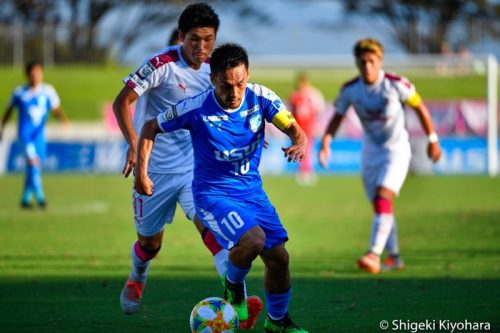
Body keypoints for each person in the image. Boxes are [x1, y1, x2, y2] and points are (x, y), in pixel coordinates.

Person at [135, 43, 309, 333]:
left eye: (240, 83)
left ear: (248, 75)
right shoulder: (195, 107)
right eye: (227, 85)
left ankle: (277, 322)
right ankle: (233, 287)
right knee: (253, 240)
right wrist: (142, 173)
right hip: (212, 194)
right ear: (213, 78)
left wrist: (300, 140)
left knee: (279, 260)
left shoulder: (261, 98)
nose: (235, 93)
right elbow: (150, 126)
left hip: (252, 193)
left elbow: (292, 126)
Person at [112, 3, 262, 327]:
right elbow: (122, 100)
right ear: (181, 36)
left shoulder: (215, 70)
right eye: (195, 39)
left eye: (209, 39)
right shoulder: (161, 65)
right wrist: (134, 145)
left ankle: (238, 304)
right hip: (154, 169)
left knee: (214, 233)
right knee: (149, 244)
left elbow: (235, 103)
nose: (202, 47)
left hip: (195, 169)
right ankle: (138, 275)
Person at [319, 38, 442, 274]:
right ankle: (394, 257)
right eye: (363, 61)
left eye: (372, 61)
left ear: (380, 61)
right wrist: (326, 142)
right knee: (380, 206)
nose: (367, 65)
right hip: (370, 151)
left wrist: (432, 140)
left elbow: (420, 107)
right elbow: (337, 116)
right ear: (357, 62)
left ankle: (373, 254)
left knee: (384, 197)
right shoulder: (350, 90)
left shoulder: (396, 84)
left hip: (397, 149)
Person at [0, 61, 68, 209]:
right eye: (32, 73)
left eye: (38, 72)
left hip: (39, 136)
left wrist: (63, 120)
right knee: (33, 163)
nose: (35, 76)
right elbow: (9, 110)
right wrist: (2, 127)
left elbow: (56, 108)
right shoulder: (19, 92)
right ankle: (40, 197)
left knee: (35, 166)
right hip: (25, 136)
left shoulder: (48, 91)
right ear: (28, 75)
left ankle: (25, 199)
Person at [288, 72, 325, 185]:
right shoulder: (294, 96)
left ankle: (306, 171)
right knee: (300, 148)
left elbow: (319, 109)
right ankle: (302, 170)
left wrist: (316, 124)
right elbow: (290, 112)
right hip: (298, 127)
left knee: (307, 149)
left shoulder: (313, 94)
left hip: (308, 126)